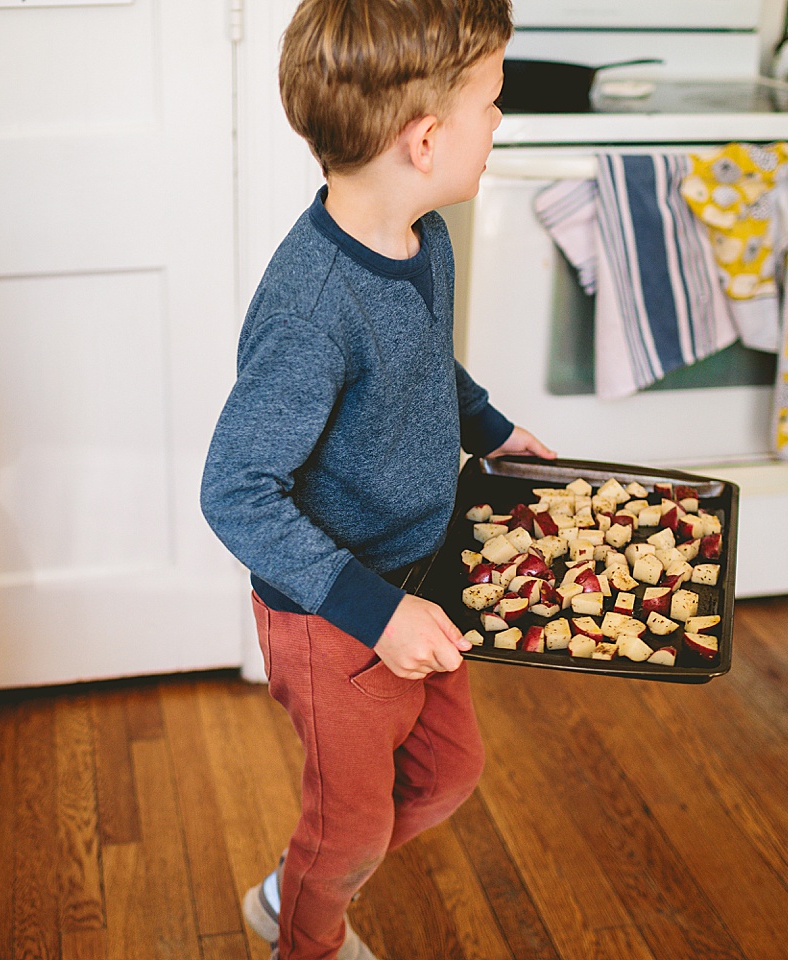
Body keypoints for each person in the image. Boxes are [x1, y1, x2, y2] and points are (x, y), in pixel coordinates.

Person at [199, 2, 551, 958]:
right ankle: (303, 932)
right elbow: (235, 489)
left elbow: (426, 362)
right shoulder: (312, 306)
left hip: (421, 578)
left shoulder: (423, 237)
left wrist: (491, 427)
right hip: (333, 621)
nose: (500, 121)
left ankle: (293, 886)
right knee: (348, 830)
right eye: (495, 101)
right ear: (427, 136)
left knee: (448, 771)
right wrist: (374, 613)